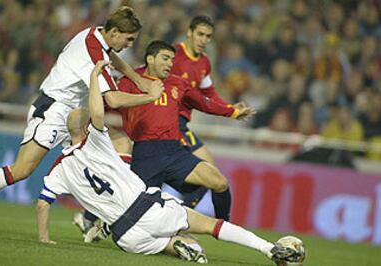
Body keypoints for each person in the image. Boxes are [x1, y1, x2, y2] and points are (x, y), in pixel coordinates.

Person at [36, 60, 300, 266]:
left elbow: (42, 203)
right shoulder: (96, 141)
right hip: (148, 209)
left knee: (171, 243)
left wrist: (44, 240)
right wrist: (94, 77)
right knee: (210, 226)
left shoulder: (58, 167)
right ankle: (268, 248)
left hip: (126, 237)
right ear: (86, 128)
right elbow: (98, 111)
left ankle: (178, 244)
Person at [0, 6, 163, 205]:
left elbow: (112, 57)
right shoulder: (93, 51)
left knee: (120, 143)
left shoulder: (95, 33)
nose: (130, 45)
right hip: (52, 110)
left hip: (74, 115)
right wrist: (150, 96)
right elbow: (112, 99)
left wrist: (138, 80)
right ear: (114, 32)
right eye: (129, 39)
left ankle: (107, 212)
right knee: (21, 170)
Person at [117, 40, 255, 222]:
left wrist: (232, 111)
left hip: (174, 152)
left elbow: (204, 102)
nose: (170, 64)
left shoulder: (178, 84)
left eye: (172, 60)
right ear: (150, 59)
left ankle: (224, 226)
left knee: (219, 182)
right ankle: (98, 222)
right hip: (146, 153)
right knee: (129, 209)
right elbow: (111, 101)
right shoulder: (130, 81)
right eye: (165, 58)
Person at [170, 15, 247, 209]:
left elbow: (209, 92)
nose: (204, 40)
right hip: (167, 120)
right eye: (200, 34)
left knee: (209, 173)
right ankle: (179, 217)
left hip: (181, 124)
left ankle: (179, 216)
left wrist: (231, 108)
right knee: (207, 175)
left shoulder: (204, 62)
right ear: (189, 32)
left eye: (208, 36)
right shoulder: (174, 54)